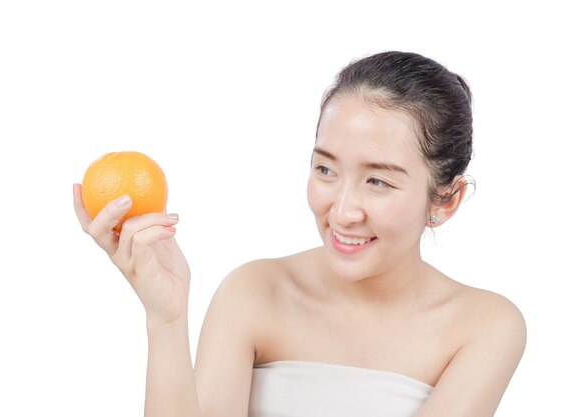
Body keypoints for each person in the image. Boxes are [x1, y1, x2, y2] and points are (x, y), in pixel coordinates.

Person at [73, 51, 526, 417]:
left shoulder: (486, 326)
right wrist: (166, 320)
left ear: (445, 201)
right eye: (326, 168)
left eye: (379, 181)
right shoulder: (254, 290)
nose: (343, 211)